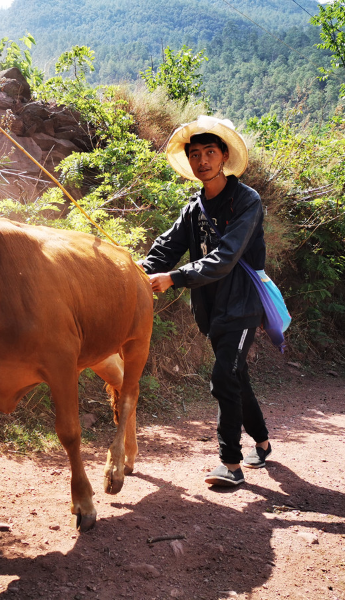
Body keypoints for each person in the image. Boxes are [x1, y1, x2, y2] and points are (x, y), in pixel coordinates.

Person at [140, 115, 271, 487]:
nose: (202, 161)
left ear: (224, 155)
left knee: (223, 376)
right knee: (235, 374)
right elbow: (167, 247)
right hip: (211, 309)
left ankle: (231, 466)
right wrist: (139, 270)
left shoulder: (247, 201)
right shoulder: (194, 208)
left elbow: (225, 257)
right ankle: (260, 443)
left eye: (209, 152)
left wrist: (173, 279)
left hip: (243, 305)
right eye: (194, 154)